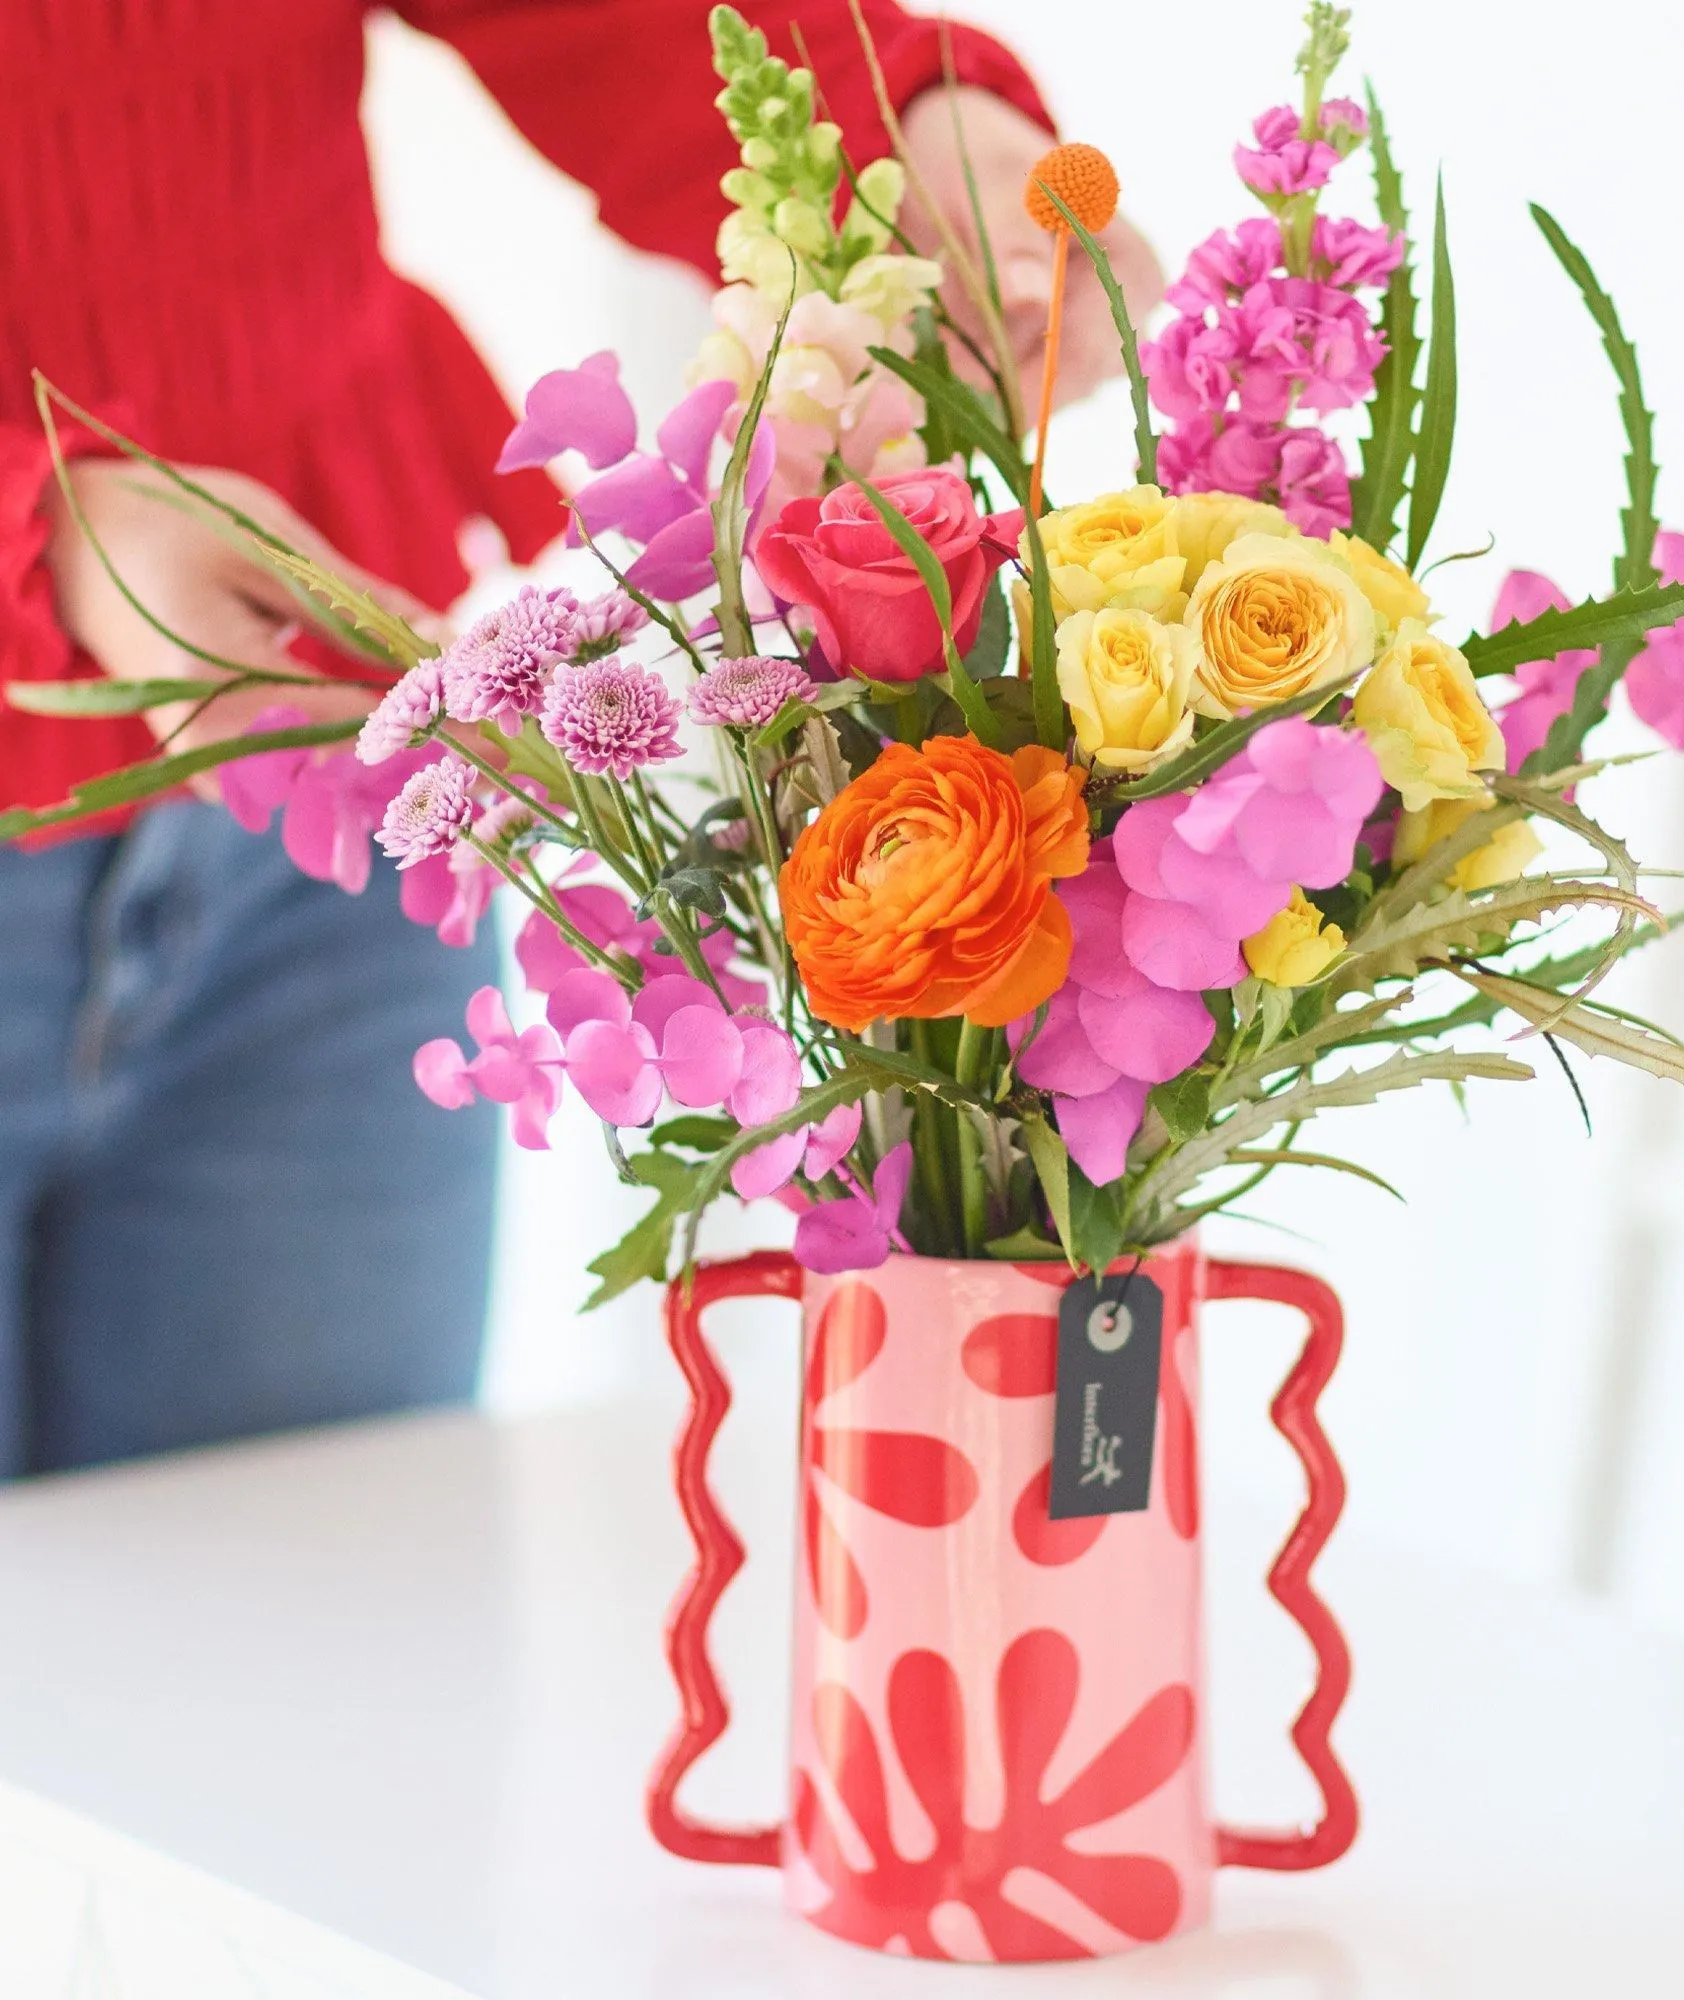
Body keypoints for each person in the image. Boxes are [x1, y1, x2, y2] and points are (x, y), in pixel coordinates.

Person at [0, 0, 1161, 1478]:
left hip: (332, 790)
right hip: (295, 720)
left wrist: (896, 130)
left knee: (327, 1574)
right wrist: (44, 535)